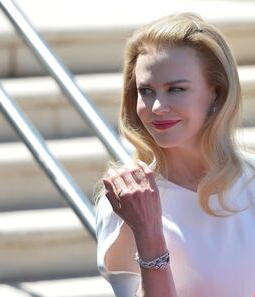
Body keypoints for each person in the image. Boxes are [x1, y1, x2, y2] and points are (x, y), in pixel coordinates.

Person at [95, 12, 255, 297]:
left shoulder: (250, 179)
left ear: (216, 93)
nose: (157, 107)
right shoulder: (128, 199)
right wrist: (148, 233)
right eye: (146, 91)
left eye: (176, 89)